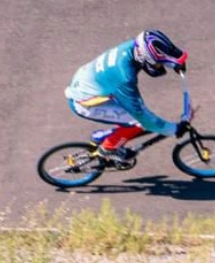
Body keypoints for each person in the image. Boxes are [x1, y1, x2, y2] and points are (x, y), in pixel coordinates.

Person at [64, 29, 190, 163]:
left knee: (131, 119)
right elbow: (141, 115)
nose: (159, 66)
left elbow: (157, 53)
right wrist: (173, 129)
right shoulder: (124, 78)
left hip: (87, 83)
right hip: (84, 103)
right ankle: (108, 149)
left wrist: (173, 63)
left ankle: (103, 136)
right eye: (157, 63)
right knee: (136, 122)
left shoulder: (135, 46)